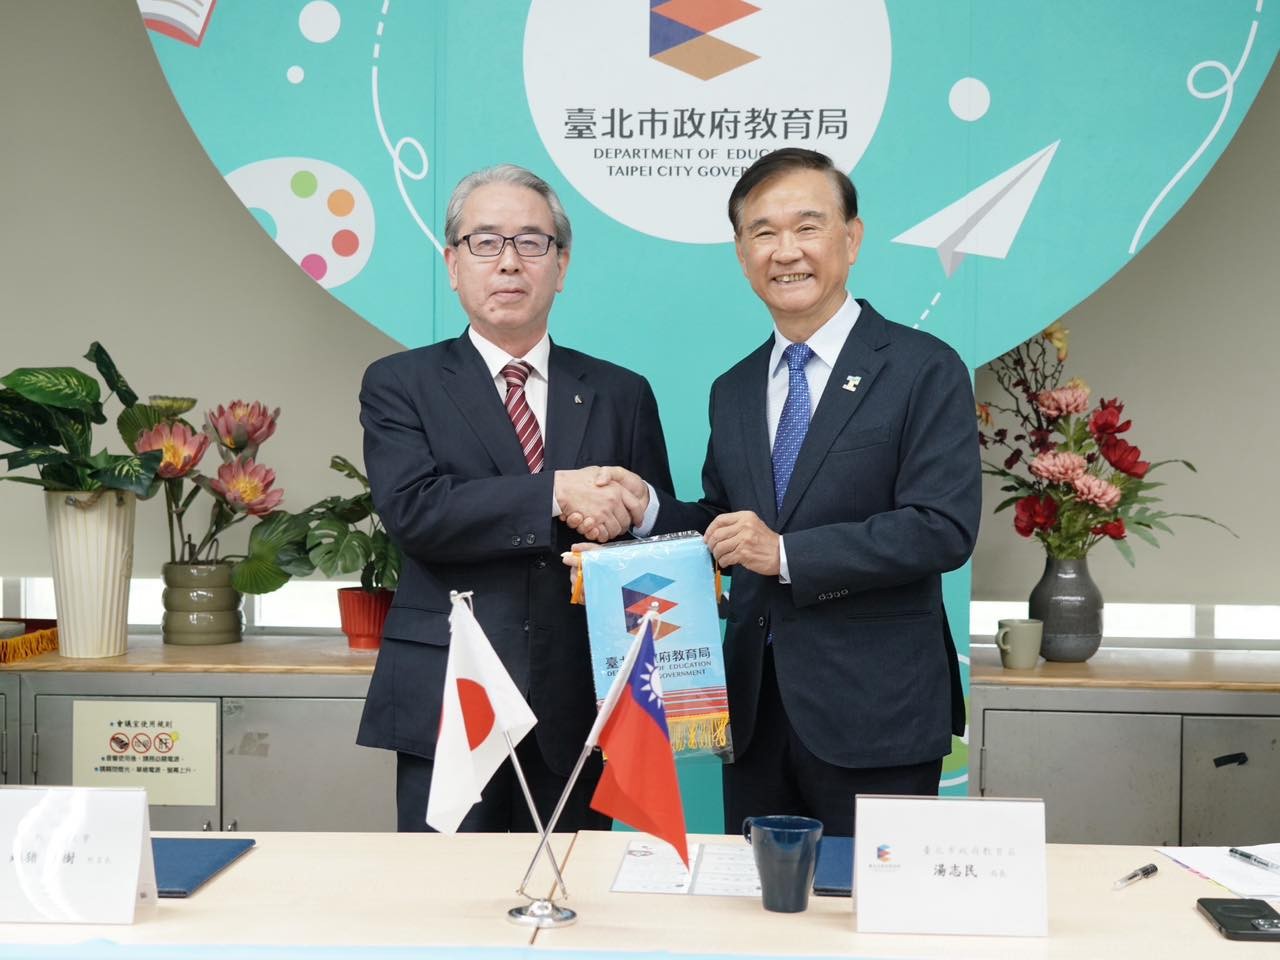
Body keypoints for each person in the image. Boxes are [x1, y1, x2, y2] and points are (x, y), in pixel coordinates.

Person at [577, 148, 981, 836]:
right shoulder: (734, 389)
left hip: (876, 712)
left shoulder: (923, 369)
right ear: (742, 255)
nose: (786, 251)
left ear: (852, 238)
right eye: (763, 233)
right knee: (757, 897)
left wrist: (787, 554)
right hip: (756, 713)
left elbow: (941, 527)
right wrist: (647, 509)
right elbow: (725, 525)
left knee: (864, 900)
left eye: (807, 226)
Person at [357, 163, 674, 832]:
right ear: (453, 264)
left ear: (561, 266)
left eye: (531, 242)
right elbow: (417, 512)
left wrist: (634, 513)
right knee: (443, 892)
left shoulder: (621, 392)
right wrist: (558, 493)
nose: (509, 262)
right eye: (485, 242)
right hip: (452, 699)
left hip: (582, 702)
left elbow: (659, 539)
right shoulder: (400, 383)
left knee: (575, 888)